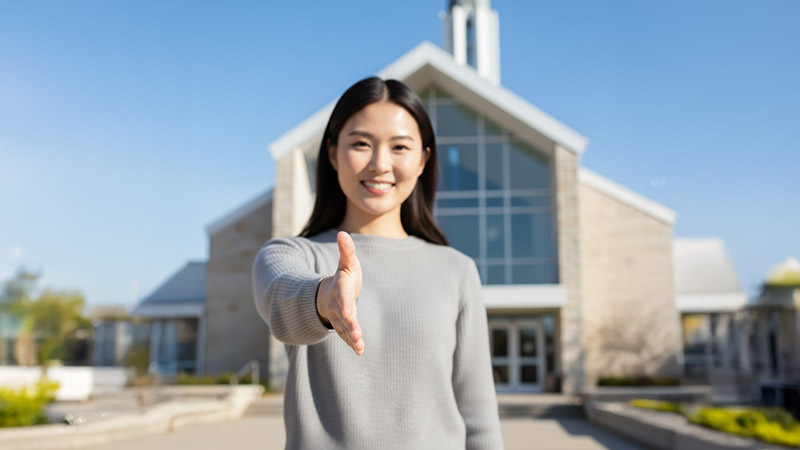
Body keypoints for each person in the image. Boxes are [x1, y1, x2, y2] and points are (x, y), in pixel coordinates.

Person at [252, 76, 504, 450]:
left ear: (423, 160)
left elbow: (479, 415)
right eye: (360, 144)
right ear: (333, 153)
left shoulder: (457, 270)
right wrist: (324, 298)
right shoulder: (292, 256)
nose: (380, 164)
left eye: (400, 147)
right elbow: (281, 299)